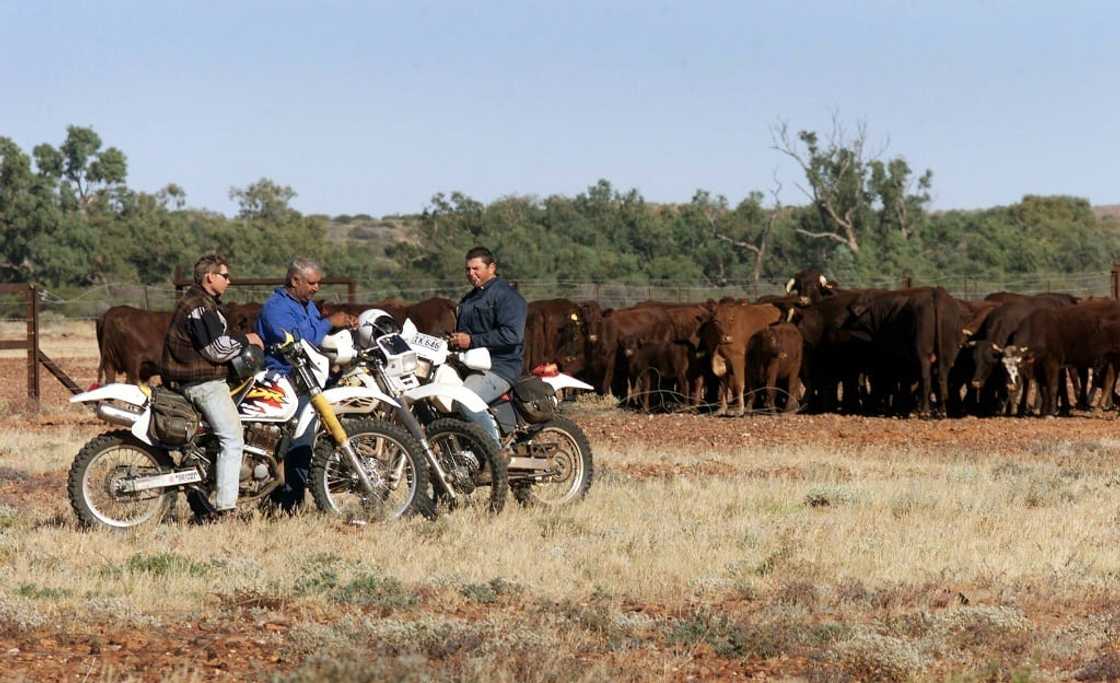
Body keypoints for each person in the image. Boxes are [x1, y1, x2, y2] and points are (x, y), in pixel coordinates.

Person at [162, 254, 263, 516]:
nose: (229, 281)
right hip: (202, 383)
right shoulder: (199, 306)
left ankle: (206, 490)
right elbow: (216, 349)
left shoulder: (204, 302)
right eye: (225, 276)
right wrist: (247, 339)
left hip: (201, 379)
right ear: (210, 277)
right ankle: (225, 507)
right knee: (233, 438)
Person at [256, 257, 355, 511]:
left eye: (318, 283)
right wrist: (329, 322)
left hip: (309, 379)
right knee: (301, 439)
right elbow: (298, 339)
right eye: (311, 283)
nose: (316, 288)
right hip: (286, 381)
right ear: (295, 280)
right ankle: (292, 501)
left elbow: (317, 337)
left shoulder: (307, 306)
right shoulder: (275, 308)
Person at [450, 246, 528, 447]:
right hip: (471, 365)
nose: (471, 273)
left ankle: (494, 453)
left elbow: (513, 335)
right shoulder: (470, 298)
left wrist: (472, 341)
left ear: (491, 268)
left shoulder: (506, 295)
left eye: (476, 268)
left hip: (499, 367)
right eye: (468, 269)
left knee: (465, 402)